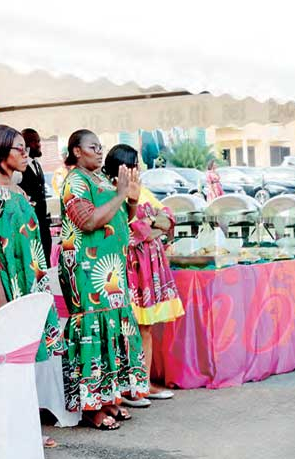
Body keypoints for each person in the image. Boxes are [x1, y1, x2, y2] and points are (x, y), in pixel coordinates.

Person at [58, 129, 147, 430]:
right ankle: (89, 408)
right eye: (92, 147)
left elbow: (124, 215)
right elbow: (89, 220)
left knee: (111, 331)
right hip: (86, 272)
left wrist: (130, 199)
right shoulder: (74, 182)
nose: (99, 151)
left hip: (111, 270)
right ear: (76, 151)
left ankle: (108, 399)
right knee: (91, 334)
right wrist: (122, 194)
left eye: (101, 147)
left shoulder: (100, 180)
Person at [0, 125, 65, 361]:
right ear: (1, 152)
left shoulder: (17, 189)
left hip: (27, 281)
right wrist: (1, 300)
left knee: (26, 358)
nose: (25, 154)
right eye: (19, 149)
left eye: (25, 149)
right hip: (3, 285)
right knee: (5, 360)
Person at [104, 144, 183, 402]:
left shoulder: (142, 188)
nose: (138, 167)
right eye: (134, 163)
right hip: (130, 267)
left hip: (148, 267)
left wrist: (150, 223)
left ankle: (144, 382)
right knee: (129, 328)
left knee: (145, 327)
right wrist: (150, 223)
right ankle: (128, 386)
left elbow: (167, 217)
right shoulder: (111, 191)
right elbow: (131, 229)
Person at [20, 128, 53, 261]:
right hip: (30, 224)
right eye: (35, 141)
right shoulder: (20, 168)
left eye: (38, 141)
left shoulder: (37, 164)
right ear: (26, 144)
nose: (39, 144)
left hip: (43, 224)